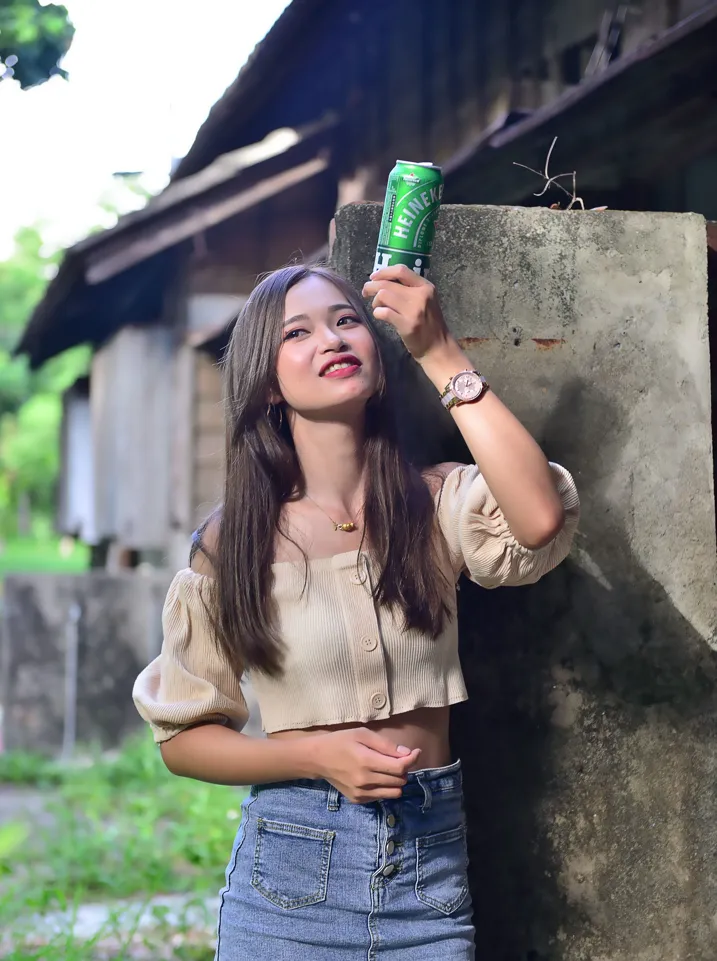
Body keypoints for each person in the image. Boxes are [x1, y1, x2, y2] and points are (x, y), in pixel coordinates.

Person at [133, 263, 579, 960]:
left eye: (346, 320)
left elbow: (539, 517)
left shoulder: (435, 502)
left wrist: (437, 350)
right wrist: (312, 754)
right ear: (267, 382)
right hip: (290, 875)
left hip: (429, 875)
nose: (331, 339)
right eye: (297, 332)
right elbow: (183, 739)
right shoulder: (234, 543)